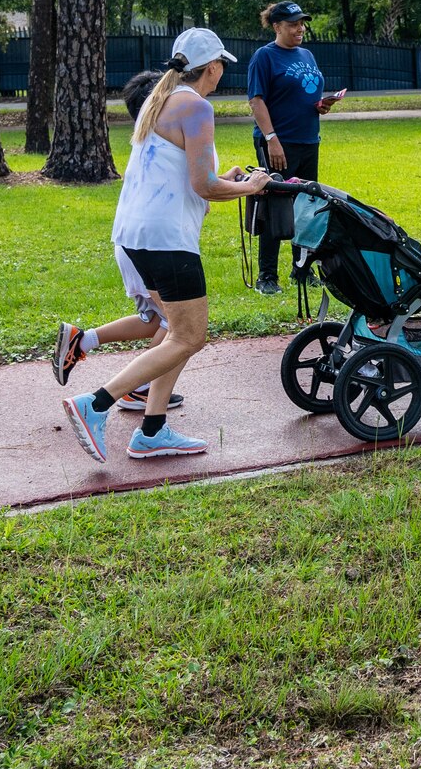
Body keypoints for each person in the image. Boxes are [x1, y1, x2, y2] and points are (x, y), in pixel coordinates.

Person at [59, 27, 270, 463]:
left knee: (175, 332)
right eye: (220, 67)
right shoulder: (196, 105)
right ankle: (95, 404)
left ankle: (152, 430)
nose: (220, 74)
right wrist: (250, 187)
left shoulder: (159, 102)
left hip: (135, 234)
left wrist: (226, 182)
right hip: (166, 240)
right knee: (188, 336)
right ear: (211, 67)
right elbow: (202, 185)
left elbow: (187, 179)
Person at [50, 71, 189, 412]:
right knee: (178, 325)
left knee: (155, 320)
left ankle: (84, 340)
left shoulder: (146, 143)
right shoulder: (166, 143)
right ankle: (137, 387)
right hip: (148, 245)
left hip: (129, 242)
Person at [247, 1, 343, 295]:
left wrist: (320, 106)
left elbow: (301, 93)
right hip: (279, 142)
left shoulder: (307, 54)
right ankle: (267, 277)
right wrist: (272, 138)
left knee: (305, 207)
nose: (300, 29)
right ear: (277, 27)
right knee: (275, 204)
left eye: (302, 23)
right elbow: (256, 100)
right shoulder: (265, 57)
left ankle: (301, 269)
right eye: (293, 24)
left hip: (307, 139)